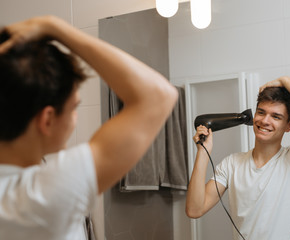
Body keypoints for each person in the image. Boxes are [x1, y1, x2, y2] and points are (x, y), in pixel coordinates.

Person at [0, 15, 178, 239]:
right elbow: (158, 95)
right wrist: (53, 26)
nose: (75, 118)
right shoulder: (38, 197)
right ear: (47, 120)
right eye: (74, 107)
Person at [186, 76, 290, 240]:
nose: (265, 121)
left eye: (275, 117)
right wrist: (202, 152)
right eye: (261, 112)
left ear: (289, 125)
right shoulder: (231, 164)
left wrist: (285, 81)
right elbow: (194, 210)